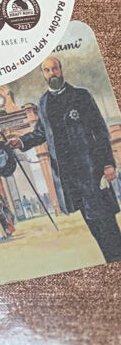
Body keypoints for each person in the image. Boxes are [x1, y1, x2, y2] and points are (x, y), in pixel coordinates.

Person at [8, 56, 121, 262]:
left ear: (61, 70)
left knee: (107, 223)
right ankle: (112, 263)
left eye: (55, 69)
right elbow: (41, 132)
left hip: (92, 171)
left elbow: (100, 130)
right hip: (70, 179)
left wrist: (107, 163)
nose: (52, 73)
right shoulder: (44, 102)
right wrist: (21, 141)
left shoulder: (81, 96)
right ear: (44, 75)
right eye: (47, 70)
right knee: (94, 227)